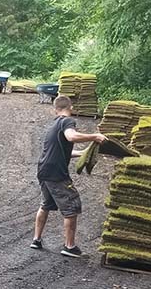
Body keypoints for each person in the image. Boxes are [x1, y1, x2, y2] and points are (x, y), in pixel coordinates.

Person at [31, 94, 106, 257]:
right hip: (56, 173)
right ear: (70, 108)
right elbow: (71, 136)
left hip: (44, 170)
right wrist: (95, 136)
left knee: (46, 204)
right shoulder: (67, 121)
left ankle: (36, 240)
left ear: (55, 110)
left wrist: (82, 153)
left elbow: (60, 151)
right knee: (72, 206)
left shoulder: (52, 126)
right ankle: (69, 246)